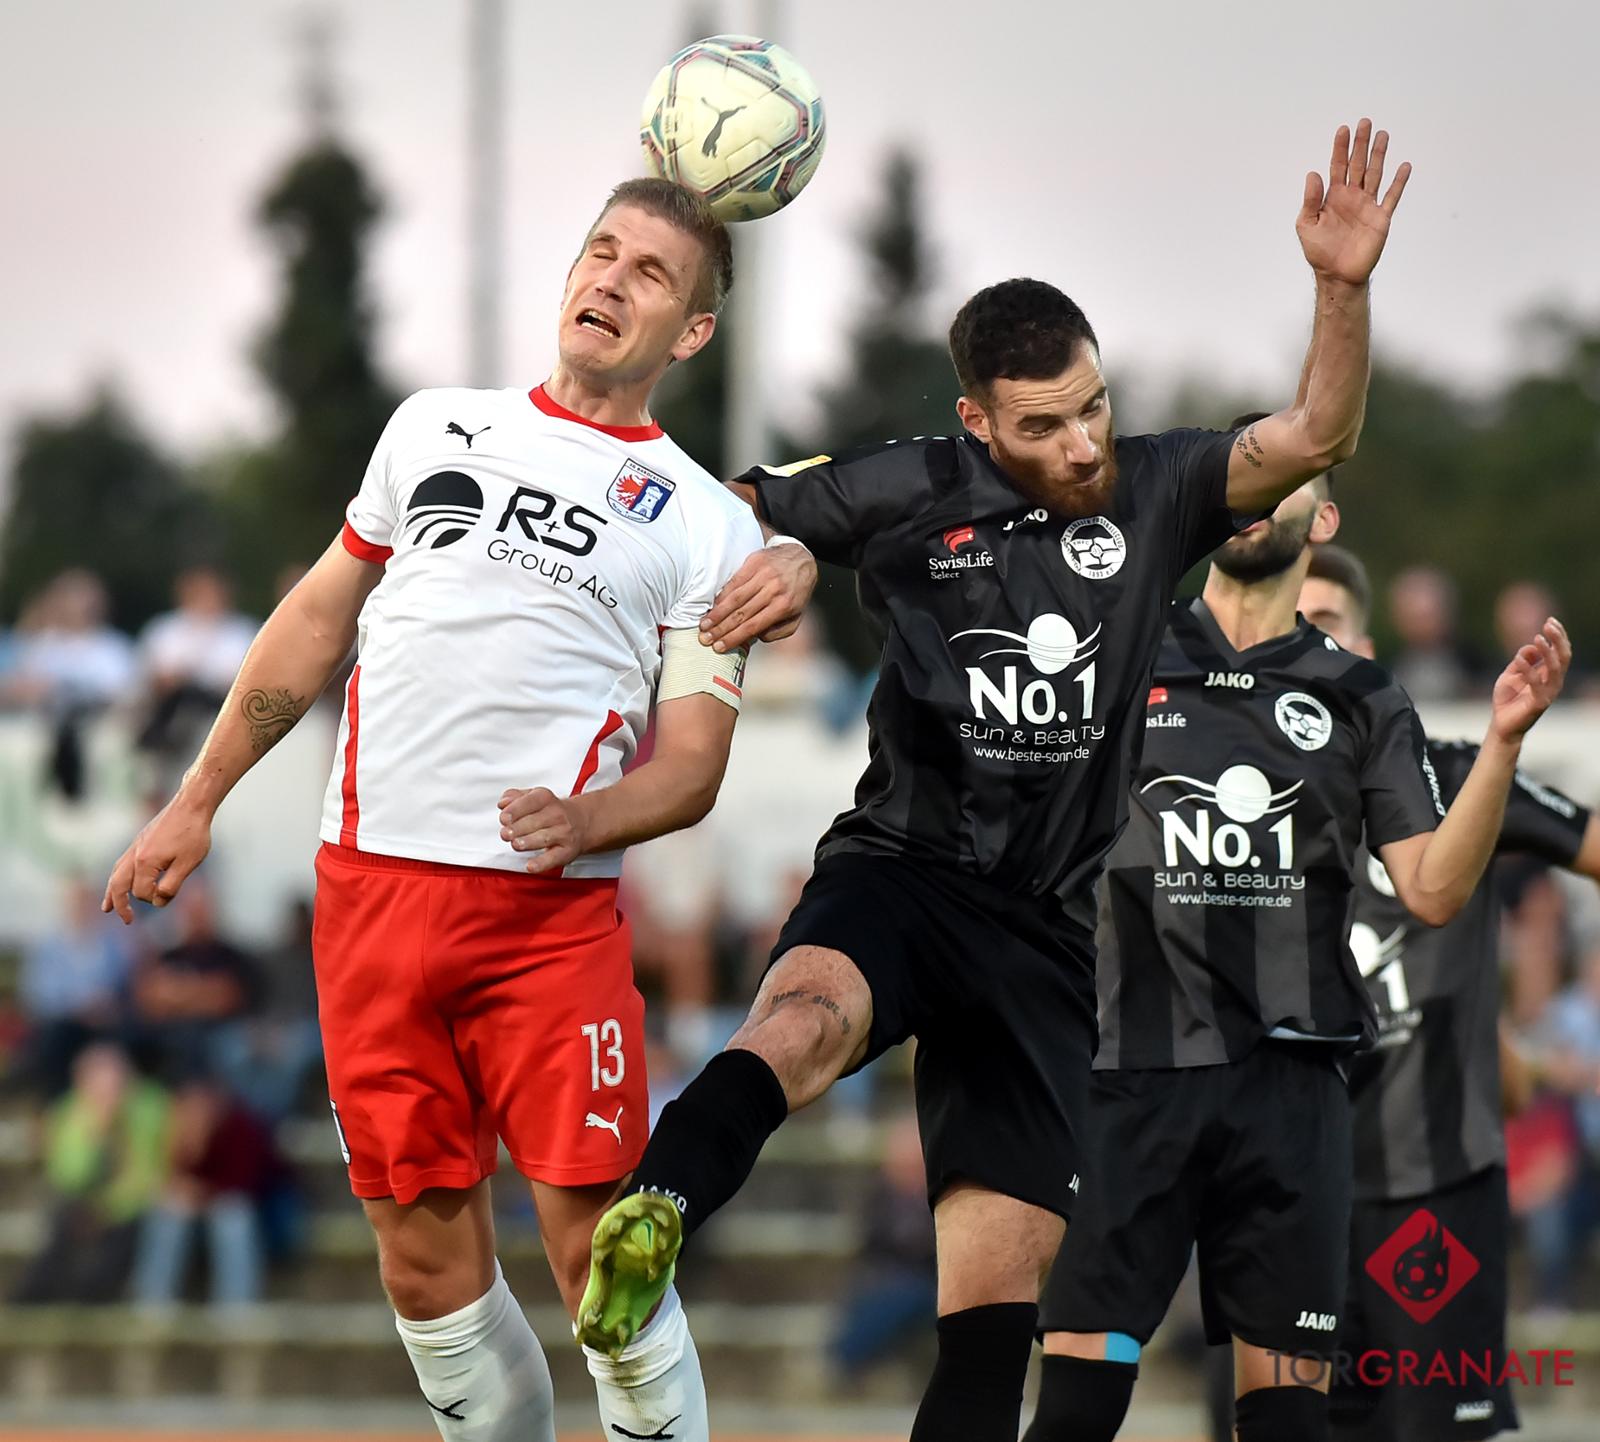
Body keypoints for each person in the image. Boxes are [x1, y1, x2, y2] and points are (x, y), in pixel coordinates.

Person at [581, 119, 1414, 1442]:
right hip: (904, 875)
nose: (1082, 444)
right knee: (800, 1021)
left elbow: (1317, 429)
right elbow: (708, 509)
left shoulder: (1159, 485)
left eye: (1093, 406)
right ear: (976, 420)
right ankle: (659, 1208)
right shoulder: (907, 487)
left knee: (987, 1331)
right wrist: (778, 552)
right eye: (1044, 424)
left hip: (1048, 940)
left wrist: (1340, 287)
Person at [102, 177, 813, 1442]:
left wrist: (584, 821)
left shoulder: (711, 524)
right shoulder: (433, 425)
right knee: (424, 1271)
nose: (610, 280)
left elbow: (695, 766)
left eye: (651, 273)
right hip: (367, 901)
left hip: (544, 924)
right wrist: (195, 797)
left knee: (601, 1260)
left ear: (692, 331)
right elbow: (315, 619)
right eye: (601, 251)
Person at [1025, 455, 1569, 1442]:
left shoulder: (1362, 695)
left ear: (1321, 519)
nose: (1253, 495)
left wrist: (1501, 743)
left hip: (1293, 1094)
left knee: (1285, 1419)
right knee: (1075, 1406)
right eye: (1240, 473)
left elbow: (1433, 889)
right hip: (1132, 1081)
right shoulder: (1122, 650)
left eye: (1281, 478)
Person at [1298, 543, 1599, 1441]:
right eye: (1283, 629)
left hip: (1434, 1184)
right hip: (1288, 1188)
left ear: (1365, 649)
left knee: (1441, 1428)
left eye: (1323, 627)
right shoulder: (1228, 804)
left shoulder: (1462, 775)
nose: (1301, 649)